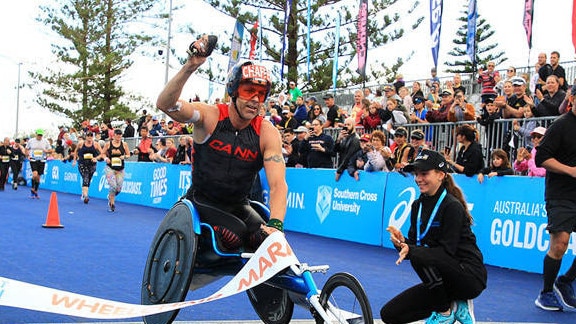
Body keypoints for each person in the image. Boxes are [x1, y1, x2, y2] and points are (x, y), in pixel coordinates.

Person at [156, 36, 287, 252]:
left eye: (261, 94)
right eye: (248, 91)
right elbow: (165, 104)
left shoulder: (267, 132)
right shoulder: (210, 116)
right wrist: (191, 66)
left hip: (240, 206)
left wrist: (276, 225)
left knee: (268, 242)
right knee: (232, 237)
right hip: (201, 201)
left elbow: (278, 185)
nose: (255, 99)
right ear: (234, 91)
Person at [381, 149, 487, 324]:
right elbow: (414, 246)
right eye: (416, 174)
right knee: (389, 315)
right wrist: (402, 243)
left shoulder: (452, 206)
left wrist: (411, 250)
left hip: (468, 277)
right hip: (440, 282)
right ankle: (452, 306)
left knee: (419, 256)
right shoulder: (417, 205)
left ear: (440, 175)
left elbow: (446, 252)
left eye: (424, 173)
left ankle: (445, 313)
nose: (418, 179)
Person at [534, 99, 576, 311]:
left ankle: (566, 280)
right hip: (560, 193)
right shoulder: (561, 125)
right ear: (573, 100)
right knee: (560, 243)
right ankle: (546, 292)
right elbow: (541, 158)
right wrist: (570, 170)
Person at [100, 129, 131, 212]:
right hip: (110, 168)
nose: (119, 137)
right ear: (114, 136)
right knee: (113, 186)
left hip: (120, 168)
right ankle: (112, 204)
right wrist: (106, 158)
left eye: (120, 135)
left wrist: (124, 157)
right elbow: (102, 153)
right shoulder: (108, 144)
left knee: (118, 189)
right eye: (117, 135)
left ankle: (110, 196)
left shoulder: (124, 144)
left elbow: (128, 154)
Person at [72, 132, 103, 204]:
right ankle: (86, 196)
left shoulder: (96, 144)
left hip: (92, 164)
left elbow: (102, 153)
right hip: (82, 163)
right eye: (88, 136)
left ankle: (84, 192)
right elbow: (75, 151)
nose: (90, 137)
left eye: (91, 136)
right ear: (86, 137)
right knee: (85, 177)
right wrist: (74, 160)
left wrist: (96, 158)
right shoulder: (81, 143)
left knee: (88, 179)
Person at [26, 129, 53, 199]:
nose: (40, 136)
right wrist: (27, 155)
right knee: (34, 174)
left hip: (42, 160)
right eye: (38, 135)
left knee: (38, 177)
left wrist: (46, 151)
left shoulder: (45, 141)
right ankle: (32, 188)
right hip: (33, 159)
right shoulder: (31, 141)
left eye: (41, 135)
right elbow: (26, 149)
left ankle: (35, 191)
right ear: (36, 134)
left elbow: (51, 150)